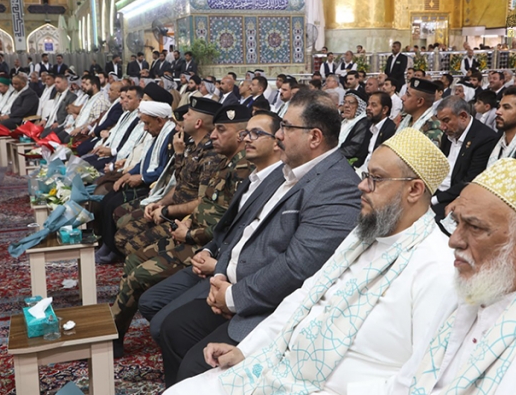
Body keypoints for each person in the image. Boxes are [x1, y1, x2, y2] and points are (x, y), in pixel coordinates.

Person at [163, 128, 456, 395]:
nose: (362, 186)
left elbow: (423, 377)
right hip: (286, 368)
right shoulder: (363, 237)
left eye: (375, 179)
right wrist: (249, 350)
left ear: (414, 190)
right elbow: (305, 298)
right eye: (365, 175)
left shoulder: (437, 267)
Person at [157, 90, 362, 387]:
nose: (278, 135)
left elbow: (297, 268)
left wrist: (232, 297)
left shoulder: (337, 187)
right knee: (171, 329)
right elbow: (239, 227)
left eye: (286, 127)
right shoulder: (286, 170)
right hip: (231, 284)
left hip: (269, 307)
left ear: (314, 137)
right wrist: (220, 273)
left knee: (195, 364)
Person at [390, 158, 516, 395]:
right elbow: (405, 382)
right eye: (457, 222)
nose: (453, 240)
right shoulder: (464, 290)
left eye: (475, 227)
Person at [111, 104, 252, 358]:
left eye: (221, 130)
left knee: (138, 276)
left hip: (201, 245)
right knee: (132, 258)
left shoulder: (243, 169)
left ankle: (116, 336)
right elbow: (202, 201)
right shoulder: (225, 161)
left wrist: (188, 233)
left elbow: (228, 224)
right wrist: (186, 221)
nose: (213, 135)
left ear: (241, 135)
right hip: (191, 231)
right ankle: (119, 329)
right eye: (214, 129)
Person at [138, 111, 284, 343]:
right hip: (212, 254)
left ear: (278, 141)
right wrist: (207, 250)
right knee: (150, 302)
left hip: (232, 272)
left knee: (165, 326)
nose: (247, 139)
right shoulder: (252, 178)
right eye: (246, 133)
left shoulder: (280, 184)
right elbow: (226, 224)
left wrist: (217, 265)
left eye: (256, 133)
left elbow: (264, 248)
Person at [110, 97, 222, 258]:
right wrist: (161, 203)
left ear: (198, 123)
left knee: (129, 245)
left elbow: (201, 201)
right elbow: (180, 184)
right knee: (121, 235)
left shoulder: (211, 154)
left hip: (187, 219)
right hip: (173, 209)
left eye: (188, 114)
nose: (183, 117)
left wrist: (166, 210)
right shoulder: (190, 145)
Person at [432, 96, 497, 219]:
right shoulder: (449, 133)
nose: (442, 127)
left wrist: (435, 199)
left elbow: (470, 181)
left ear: (463, 116)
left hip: (456, 198)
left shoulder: (484, 139)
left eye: (446, 120)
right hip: (436, 190)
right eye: (440, 121)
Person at [398, 78, 443, 147]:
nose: (402, 98)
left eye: (408, 95)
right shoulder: (405, 119)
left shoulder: (433, 127)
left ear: (420, 102)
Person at [359, 91, 396, 170]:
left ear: (384, 110)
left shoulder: (390, 130)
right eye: (368, 104)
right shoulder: (369, 125)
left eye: (373, 105)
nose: (368, 108)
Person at [339, 89, 369, 163]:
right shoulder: (343, 121)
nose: (346, 106)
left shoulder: (363, 123)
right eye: (345, 102)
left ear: (359, 106)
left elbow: (352, 149)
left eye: (351, 103)